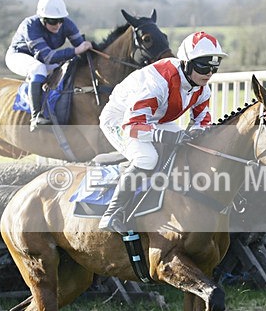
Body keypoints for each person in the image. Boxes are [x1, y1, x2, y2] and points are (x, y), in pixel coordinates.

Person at [97, 31, 227, 233]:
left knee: (188, 148)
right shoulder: (158, 83)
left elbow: (202, 121)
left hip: (153, 119)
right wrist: (167, 136)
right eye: (203, 65)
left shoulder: (202, 88)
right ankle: (112, 213)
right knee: (147, 158)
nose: (209, 72)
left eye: (214, 66)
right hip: (121, 118)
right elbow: (133, 126)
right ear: (186, 63)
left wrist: (197, 135)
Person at [5, 0, 93, 130]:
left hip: (40, 58)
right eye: (52, 21)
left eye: (60, 20)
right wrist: (75, 51)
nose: (58, 25)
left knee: (65, 68)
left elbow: (82, 49)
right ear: (42, 19)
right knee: (38, 68)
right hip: (18, 56)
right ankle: (36, 117)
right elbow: (47, 57)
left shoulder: (66, 24)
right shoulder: (30, 26)